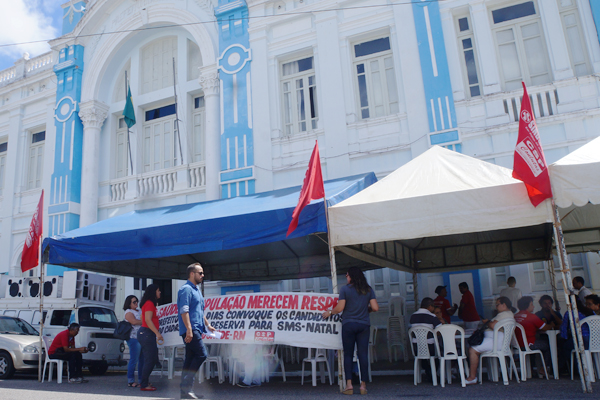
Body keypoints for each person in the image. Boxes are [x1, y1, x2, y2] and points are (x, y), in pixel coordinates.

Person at [322, 267, 378, 395]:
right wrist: (366, 310)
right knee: (363, 354)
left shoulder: (345, 289)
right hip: (364, 325)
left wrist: (330, 312)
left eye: (347, 275)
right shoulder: (368, 289)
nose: (346, 277)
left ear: (351, 276)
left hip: (349, 325)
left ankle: (349, 385)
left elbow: (340, 307)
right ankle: (363, 385)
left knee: (348, 354)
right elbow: (375, 307)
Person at [178, 263, 216, 398]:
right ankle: (186, 387)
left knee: (189, 359)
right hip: (191, 329)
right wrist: (189, 329)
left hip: (197, 328)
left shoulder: (197, 290)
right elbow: (184, 311)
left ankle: (185, 392)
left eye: (203, 273)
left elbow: (199, 311)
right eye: (200, 273)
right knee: (202, 354)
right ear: (192, 274)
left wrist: (208, 324)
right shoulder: (186, 289)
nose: (203, 275)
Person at [465, 296, 514, 385]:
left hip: (496, 341)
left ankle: (472, 377)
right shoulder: (509, 314)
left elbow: (493, 326)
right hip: (498, 341)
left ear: (504, 305)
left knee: (472, 350)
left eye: (498, 304)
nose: (496, 306)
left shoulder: (503, 314)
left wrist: (487, 322)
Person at [514, 296, 551, 378]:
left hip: (517, 345)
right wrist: (552, 324)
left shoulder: (515, 316)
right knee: (548, 345)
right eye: (531, 304)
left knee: (536, 345)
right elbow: (545, 327)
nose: (533, 306)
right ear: (526, 306)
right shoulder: (531, 316)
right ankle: (543, 369)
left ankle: (531, 369)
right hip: (529, 344)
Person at [138, 284, 163, 392]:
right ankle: (144, 384)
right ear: (153, 292)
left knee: (151, 359)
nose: (160, 292)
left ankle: (144, 382)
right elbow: (148, 320)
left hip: (147, 333)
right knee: (150, 360)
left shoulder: (150, 304)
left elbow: (143, 317)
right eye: (158, 290)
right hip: (147, 333)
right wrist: (157, 333)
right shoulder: (149, 303)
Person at [123, 295, 144, 388]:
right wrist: (145, 321)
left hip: (142, 337)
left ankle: (141, 380)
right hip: (133, 338)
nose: (136, 303)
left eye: (137, 301)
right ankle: (131, 380)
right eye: (134, 302)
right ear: (129, 303)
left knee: (142, 360)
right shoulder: (128, 312)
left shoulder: (140, 311)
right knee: (134, 359)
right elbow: (134, 322)